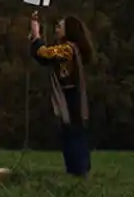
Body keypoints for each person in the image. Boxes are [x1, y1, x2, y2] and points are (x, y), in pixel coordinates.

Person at [29, 10, 94, 177]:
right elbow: (45, 57)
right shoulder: (69, 49)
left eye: (59, 26)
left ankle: (78, 170)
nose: (56, 29)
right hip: (70, 96)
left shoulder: (68, 49)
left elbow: (44, 54)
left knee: (73, 132)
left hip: (71, 97)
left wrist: (36, 36)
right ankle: (77, 170)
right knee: (71, 132)